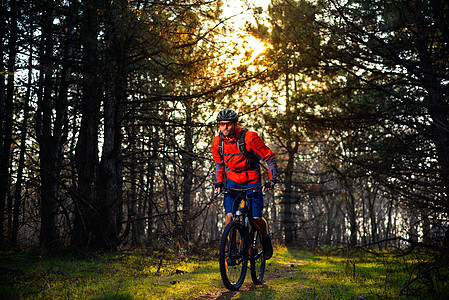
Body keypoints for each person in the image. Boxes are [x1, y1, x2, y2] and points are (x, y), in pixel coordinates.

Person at [212, 108, 278, 260]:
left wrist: (271, 180)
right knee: (229, 217)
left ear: (235, 124)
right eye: (222, 124)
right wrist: (219, 182)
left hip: (252, 181)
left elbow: (269, 158)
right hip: (233, 183)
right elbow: (219, 165)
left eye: (228, 124)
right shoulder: (217, 142)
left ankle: (265, 238)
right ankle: (233, 251)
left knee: (255, 219)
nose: (225, 127)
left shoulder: (249, 138)